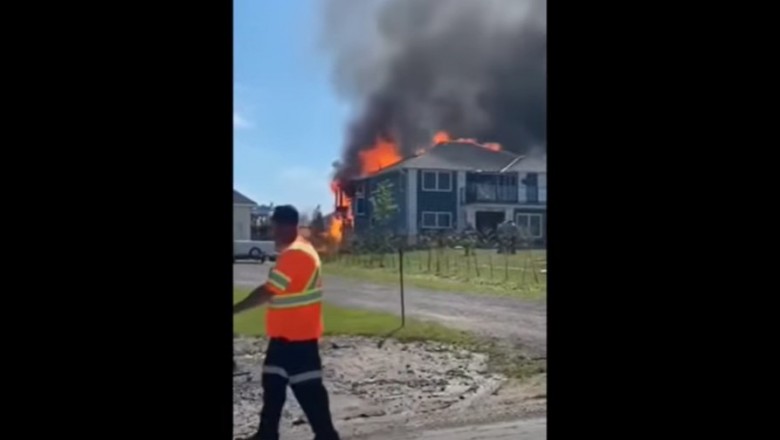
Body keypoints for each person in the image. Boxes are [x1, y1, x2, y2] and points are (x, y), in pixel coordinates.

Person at [234, 205, 340, 440]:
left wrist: (235, 309)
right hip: (286, 336)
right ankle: (267, 433)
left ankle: (327, 435)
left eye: (274, 228)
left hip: (297, 338)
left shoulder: (295, 254)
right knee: (272, 383)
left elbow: (268, 291)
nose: (272, 234)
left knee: (308, 389)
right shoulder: (302, 249)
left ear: (287, 226)